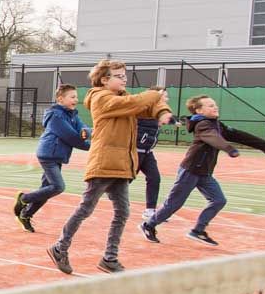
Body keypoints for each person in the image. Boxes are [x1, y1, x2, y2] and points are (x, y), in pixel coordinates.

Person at [46, 59, 171, 276]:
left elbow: (147, 107)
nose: (124, 79)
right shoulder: (101, 98)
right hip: (104, 162)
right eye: (119, 76)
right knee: (86, 208)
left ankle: (109, 258)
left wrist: (162, 110)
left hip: (122, 164)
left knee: (122, 212)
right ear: (104, 80)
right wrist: (156, 94)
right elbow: (138, 102)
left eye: (124, 76)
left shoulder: (125, 99)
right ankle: (60, 247)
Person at [140, 94, 265, 247]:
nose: (215, 107)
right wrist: (229, 149)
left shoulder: (216, 124)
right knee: (174, 204)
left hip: (204, 172)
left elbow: (237, 135)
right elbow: (212, 138)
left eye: (215, 104)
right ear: (199, 111)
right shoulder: (203, 125)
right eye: (210, 105)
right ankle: (148, 225)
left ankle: (198, 230)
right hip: (190, 170)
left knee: (218, 200)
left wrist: (264, 145)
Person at [12, 84, 91, 233]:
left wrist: (89, 132)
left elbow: (84, 129)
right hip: (48, 154)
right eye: (72, 97)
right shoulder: (55, 115)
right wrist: (92, 147)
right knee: (58, 187)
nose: (76, 100)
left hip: (58, 156)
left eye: (76, 97)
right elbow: (72, 137)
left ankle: (26, 215)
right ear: (60, 99)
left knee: (46, 190)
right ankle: (24, 198)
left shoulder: (73, 115)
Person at [135, 114, 165, 223]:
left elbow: (166, 118)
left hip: (148, 153)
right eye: (163, 96)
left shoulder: (160, 113)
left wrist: (173, 121)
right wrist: (158, 120)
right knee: (127, 179)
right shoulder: (142, 111)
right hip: (136, 152)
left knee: (154, 178)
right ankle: (104, 191)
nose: (165, 99)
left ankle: (150, 210)